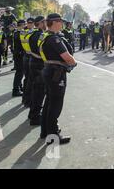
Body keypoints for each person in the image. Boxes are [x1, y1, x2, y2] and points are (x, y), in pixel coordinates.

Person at [39, 13, 76, 145]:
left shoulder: (46, 36)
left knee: (49, 102)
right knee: (55, 105)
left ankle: (45, 132)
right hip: (56, 74)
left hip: (49, 71)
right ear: (55, 22)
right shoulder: (54, 39)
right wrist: (73, 63)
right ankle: (53, 136)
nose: (62, 24)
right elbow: (67, 57)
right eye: (61, 22)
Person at [28, 16, 46, 125]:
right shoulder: (41, 36)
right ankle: (35, 117)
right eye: (44, 22)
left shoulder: (33, 35)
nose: (46, 23)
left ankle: (32, 113)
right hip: (39, 65)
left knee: (35, 90)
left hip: (33, 62)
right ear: (40, 23)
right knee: (39, 92)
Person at [21, 18, 35, 107]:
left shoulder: (31, 31)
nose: (30, 24)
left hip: (28, 56)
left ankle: (26, 99)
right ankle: (26, 99)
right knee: (28, 79)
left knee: (29, 79)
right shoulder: (25, 32)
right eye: (29, 23)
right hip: (28, 55)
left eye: (31, 23)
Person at [12, 20, 26, 97]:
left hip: (17, 54)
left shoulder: (16, 32)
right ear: (21, 25)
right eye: (24, 24)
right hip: (20, 55)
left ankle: (19, 87)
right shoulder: (21, 33)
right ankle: (16, 90)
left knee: (19, 72)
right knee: (19, 73)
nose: (25, 25)